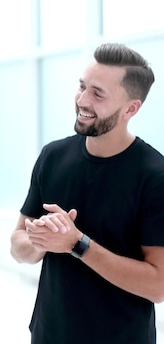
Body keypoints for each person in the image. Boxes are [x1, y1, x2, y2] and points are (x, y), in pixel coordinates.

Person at [10, 43, 164, 344]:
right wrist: (41, 240)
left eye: (98, 93)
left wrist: (77, 244)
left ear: (131, 109)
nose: (82, 100)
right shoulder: (52, 156)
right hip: (48, 336)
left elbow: (158, 285)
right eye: (82, 86)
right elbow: (18, 246)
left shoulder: (154, 176)